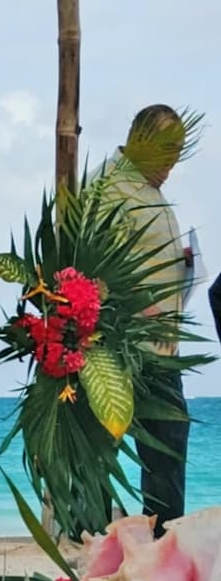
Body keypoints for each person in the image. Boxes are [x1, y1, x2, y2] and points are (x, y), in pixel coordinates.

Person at [105, 104, 190, 535]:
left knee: (168, 455)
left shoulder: (150, 190)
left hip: (164, 350)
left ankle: (163, 554)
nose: (172, 164)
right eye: (167, 153)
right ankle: (105, 549)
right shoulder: (110, 187)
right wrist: (139, 302)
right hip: (127, 351)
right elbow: (96, 262)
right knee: (112, 452)